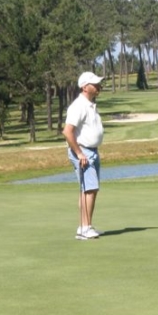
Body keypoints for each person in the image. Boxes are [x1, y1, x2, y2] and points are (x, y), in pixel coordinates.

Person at [62, 71, 106, 240]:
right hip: (83, 152)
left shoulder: (90, 104)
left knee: (88, 189)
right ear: (85, 87)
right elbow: (67, 131)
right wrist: (79, 153)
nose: (98, 86)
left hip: (91, 151)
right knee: (90, 189)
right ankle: (85, 228)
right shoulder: (78, 106)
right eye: (95, 84)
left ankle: (84, 226)